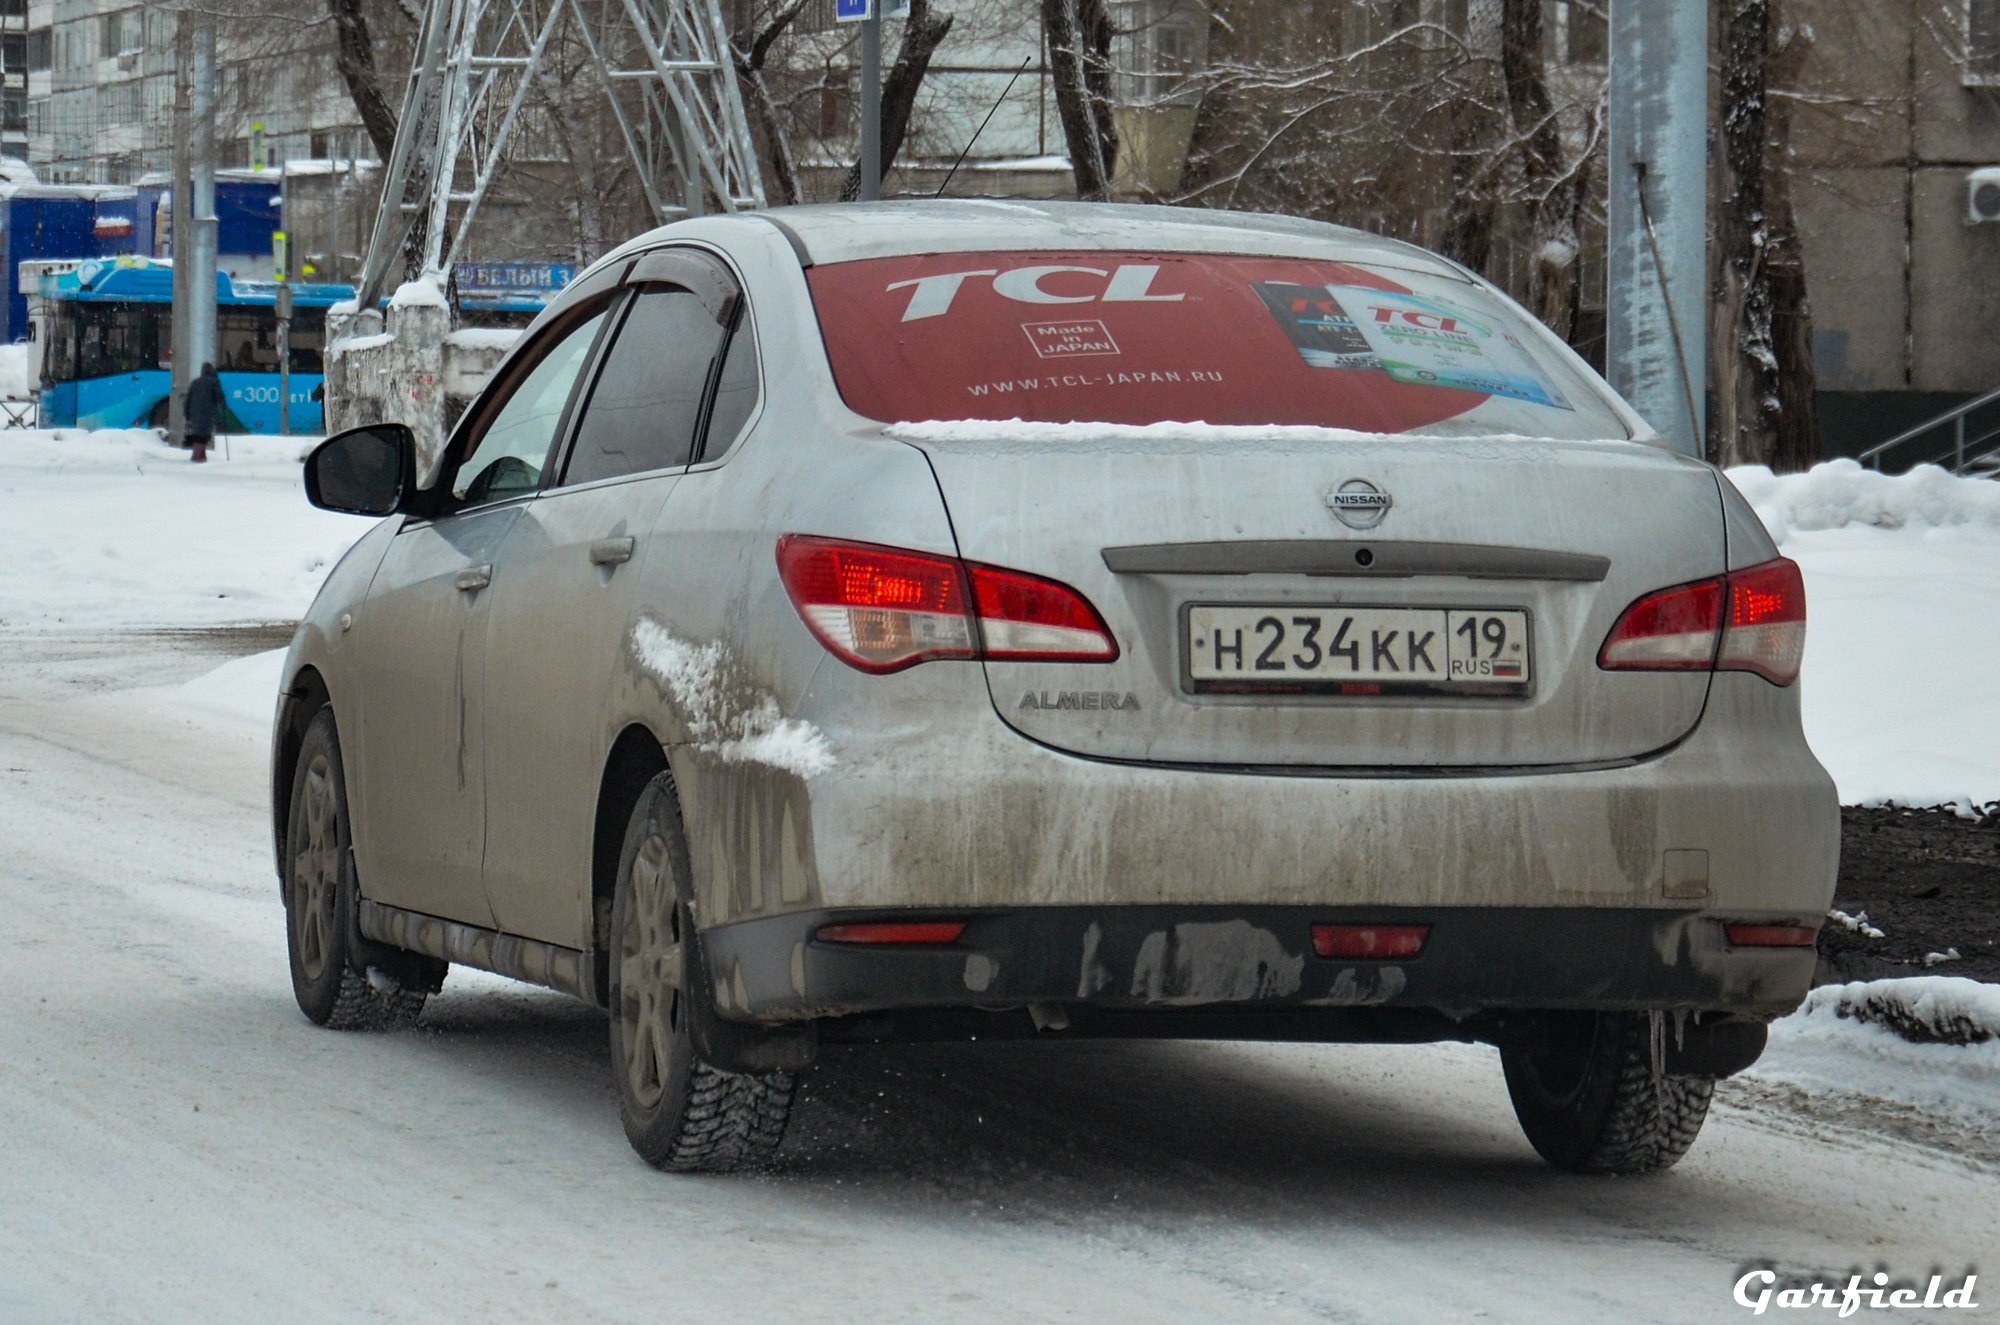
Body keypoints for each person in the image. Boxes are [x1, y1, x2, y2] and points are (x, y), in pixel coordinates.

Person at [185, 362, 224, 464]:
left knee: (198, 433)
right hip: (208, 412)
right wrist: (223, 406)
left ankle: (201, 455)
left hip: (194, 412)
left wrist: (187, 414)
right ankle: (197, 456)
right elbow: (219, 397)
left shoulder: (195, 382)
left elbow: (188, 400)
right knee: (204, 435)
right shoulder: (214, 382)